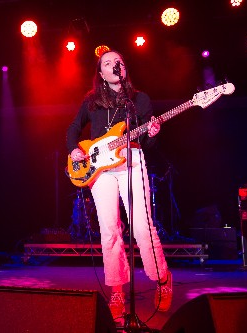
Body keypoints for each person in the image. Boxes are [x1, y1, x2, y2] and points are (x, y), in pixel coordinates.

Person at [66, 50, 172, 320]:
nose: (115, 64)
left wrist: (152, 134)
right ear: (101, 73)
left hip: (131, 161)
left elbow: (146, 143)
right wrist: (74, 150)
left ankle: (162, 279)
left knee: (142, 226)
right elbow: (73, 128)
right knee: (109, 231)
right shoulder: (92, 102)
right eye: (108, 62)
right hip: (100, 169)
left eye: (119, 61)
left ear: (125, 69)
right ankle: (116, 290)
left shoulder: (139, 99)